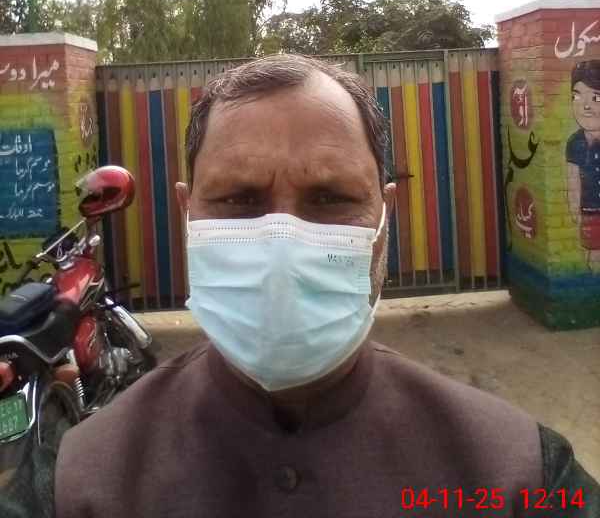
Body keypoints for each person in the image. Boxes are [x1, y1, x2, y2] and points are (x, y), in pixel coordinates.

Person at [1, 54, 598, 517]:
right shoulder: (75, 483)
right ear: (188, 215)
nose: (282, 243)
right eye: (238, 199)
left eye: (331, 198)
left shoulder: (519, 473)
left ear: (385, 218)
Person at [567, 59, 600, 273]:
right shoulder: (575, 143)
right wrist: (574, 211)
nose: (585, 106)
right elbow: (573, 182)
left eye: (596, 97)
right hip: (590, 211)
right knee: (594, 257)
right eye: (577, 96)